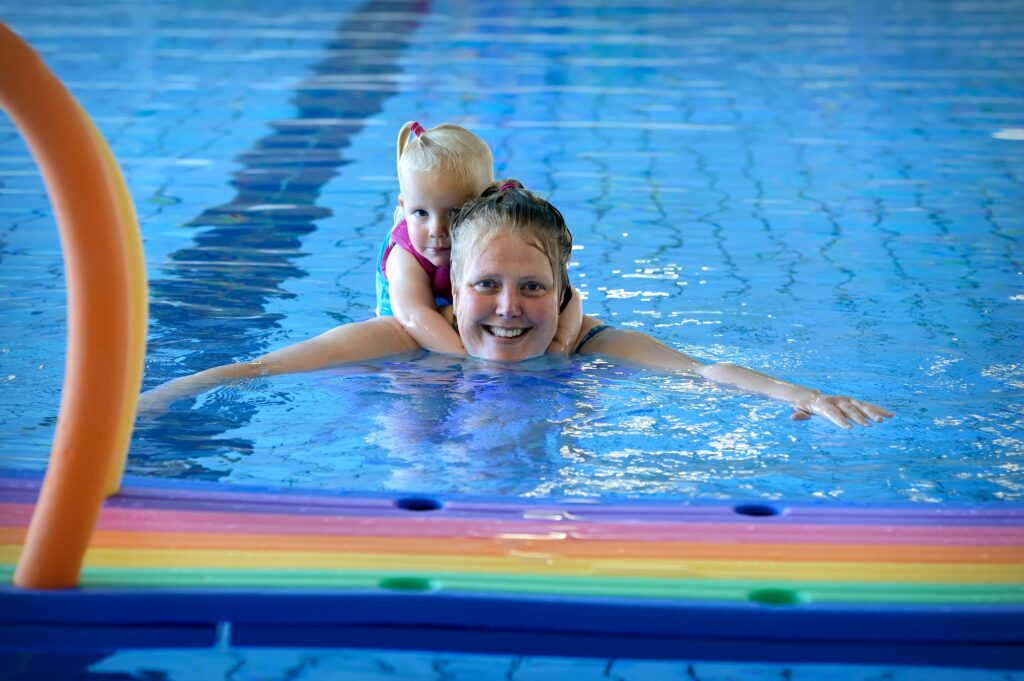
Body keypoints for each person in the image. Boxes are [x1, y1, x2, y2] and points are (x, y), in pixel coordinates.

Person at [139, 180, 892, 429]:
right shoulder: (402, 341)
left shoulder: (592, 343)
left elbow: (703, 372)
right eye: (486, 286)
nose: (508, 308)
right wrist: (153, 402)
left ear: (563, 293)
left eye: (532, 287)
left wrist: (803, 394)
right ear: (452, 288)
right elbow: (261, 366)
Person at [376, 121, 581, 355]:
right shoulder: (405, 255)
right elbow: (412, 316)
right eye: (421, 213)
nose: (436, 229)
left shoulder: (494, 246)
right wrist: (465, 357)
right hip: (411, 333)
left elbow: (569, 296)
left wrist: (560, 344)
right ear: (404, 206)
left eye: (455, 213)